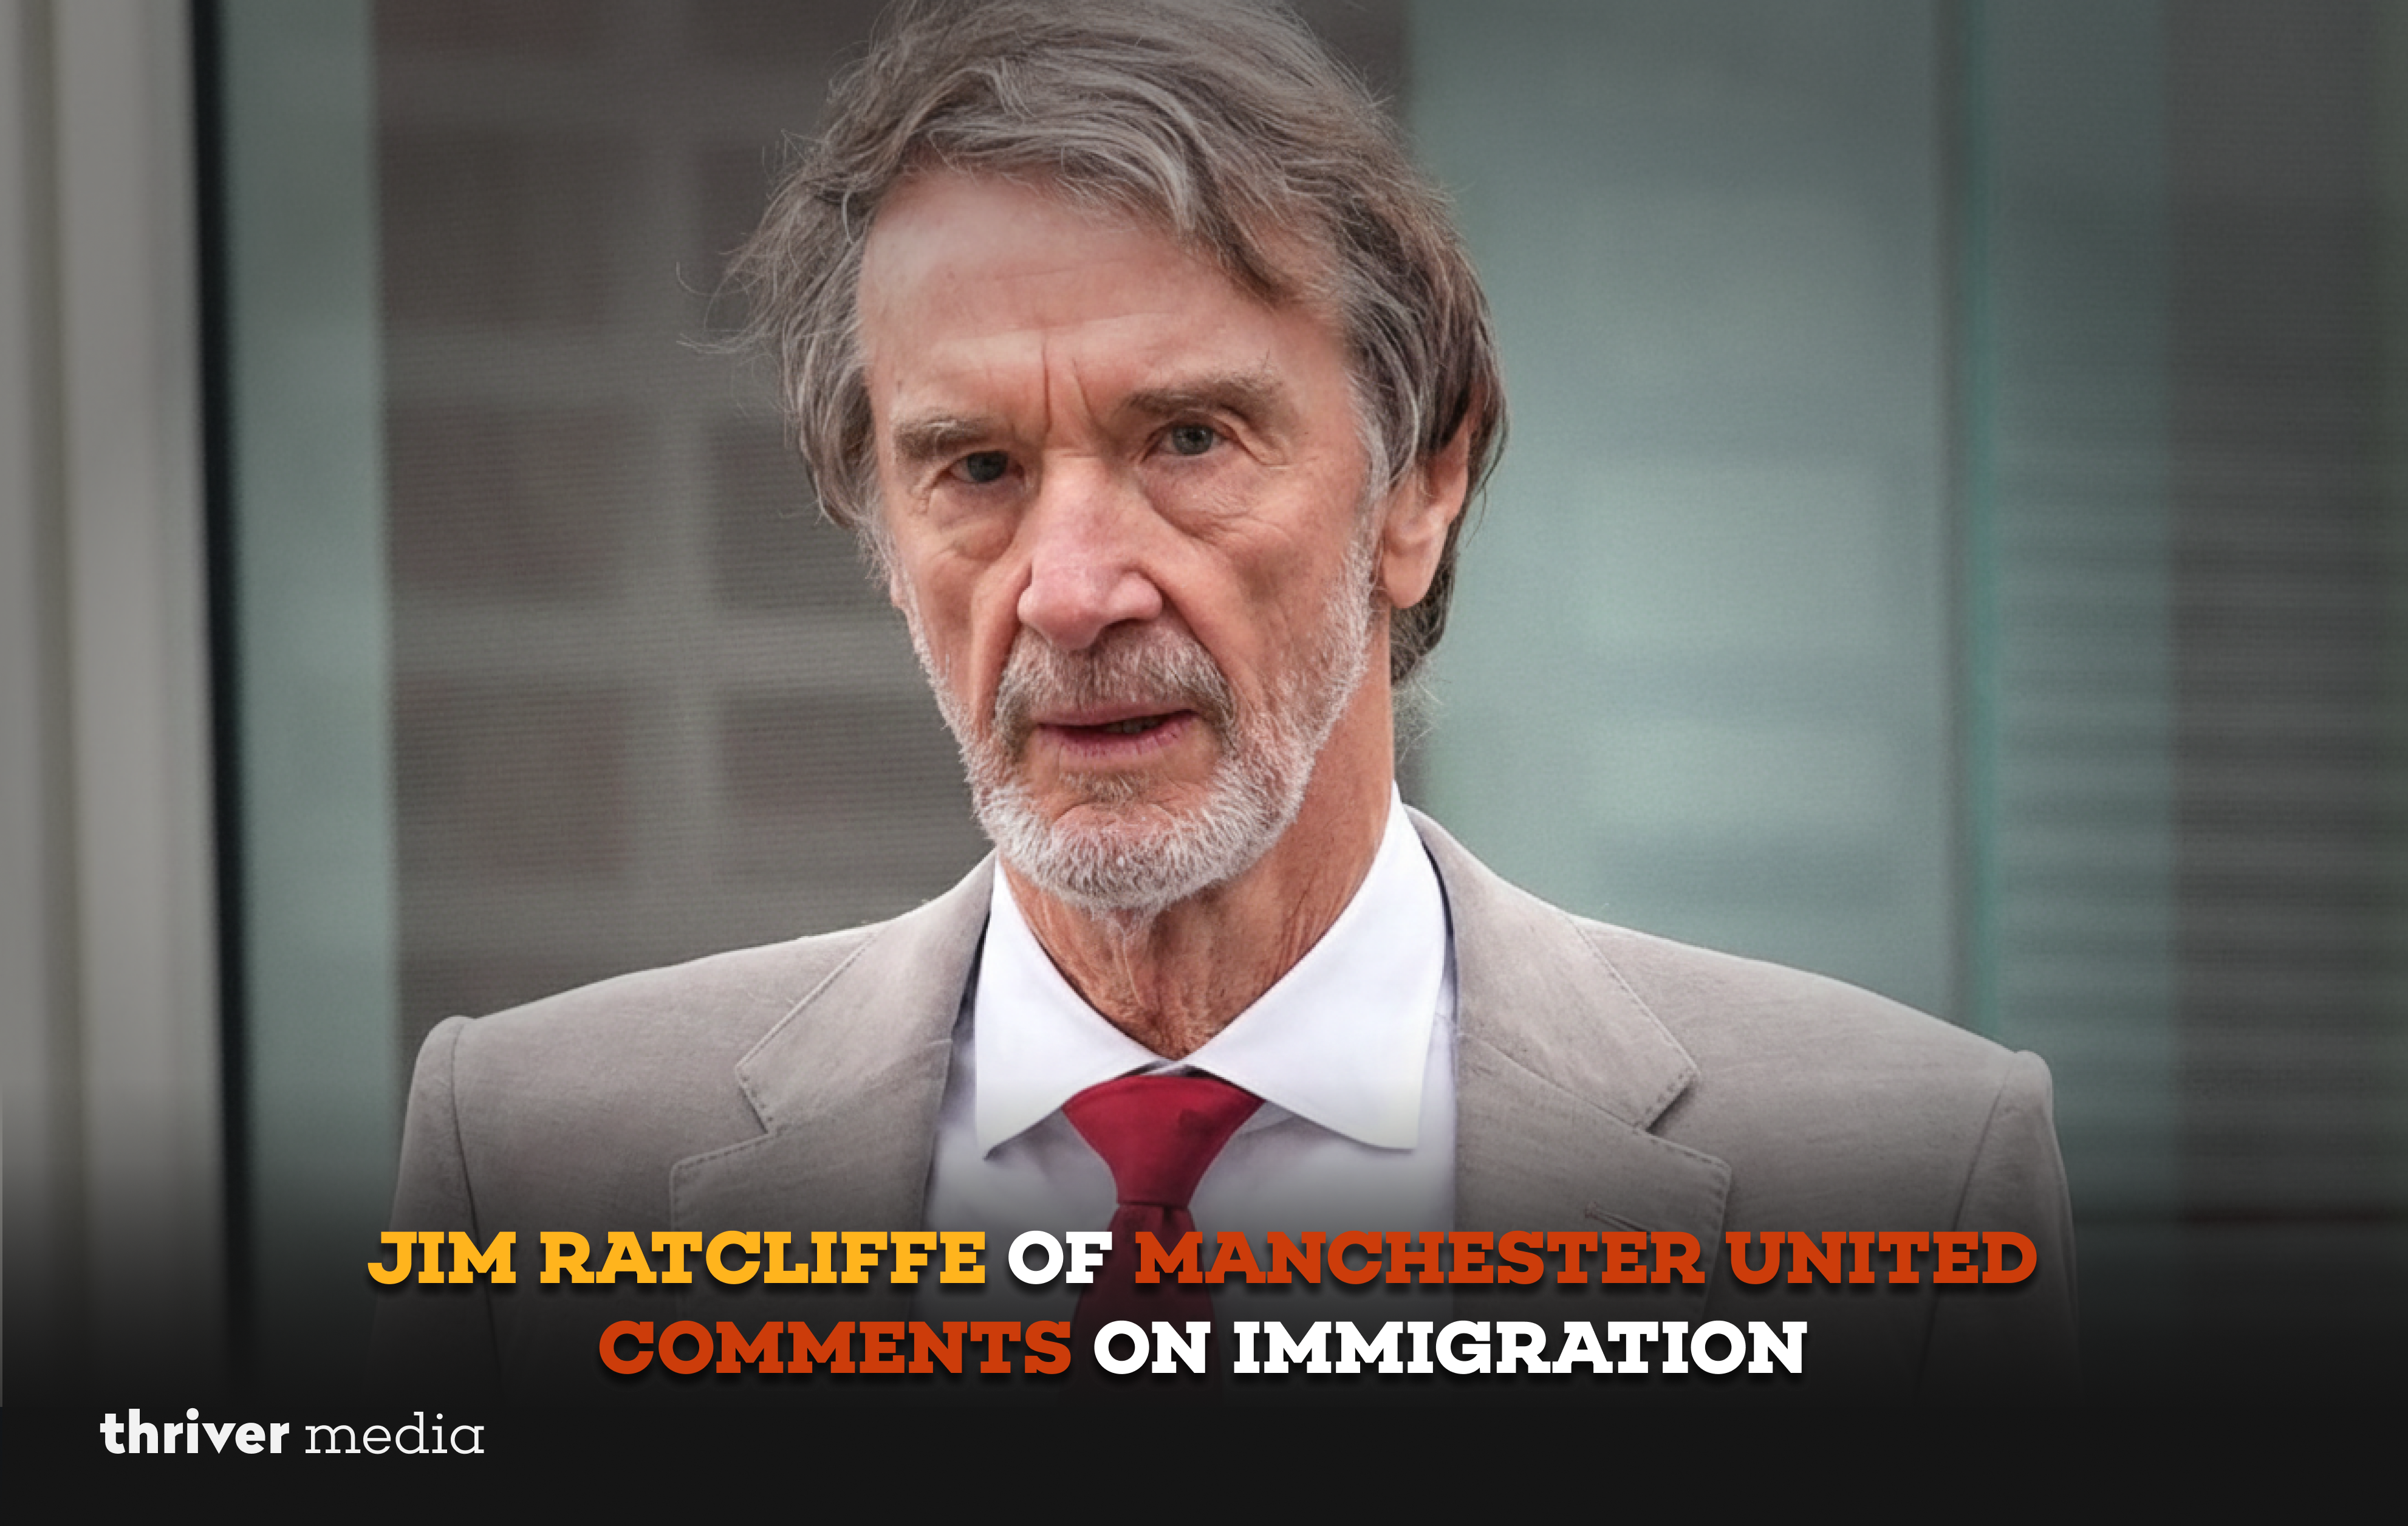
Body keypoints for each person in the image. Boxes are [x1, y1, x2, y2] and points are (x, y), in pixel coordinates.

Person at [378, 0, 2076, 1400]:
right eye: (973, 466)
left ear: (1419, 485)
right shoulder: (532, 1163)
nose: (1071, 587)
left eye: (1186, 439)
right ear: (878, 532)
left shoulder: (1899, 1179)